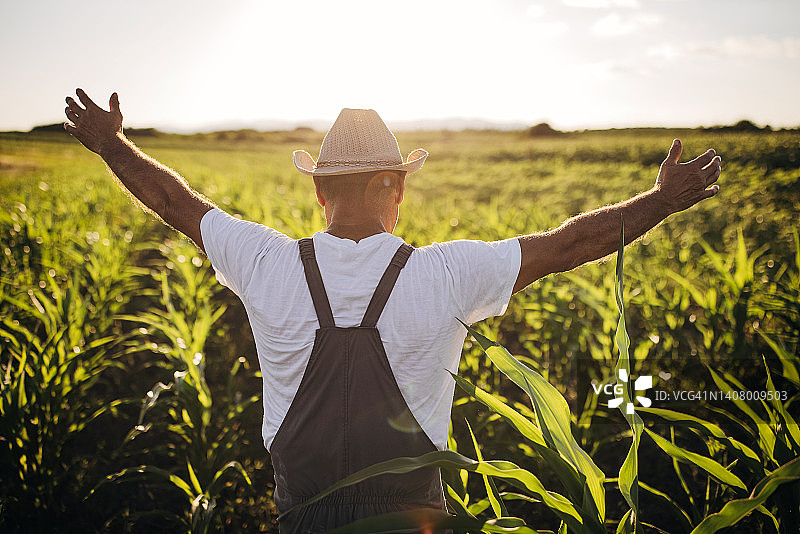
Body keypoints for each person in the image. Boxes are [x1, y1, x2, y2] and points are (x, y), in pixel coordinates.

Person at [63, 89, 721, 532]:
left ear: (318, 189)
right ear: (396, 185)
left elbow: (177, 203)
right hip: (410, 519)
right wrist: (660, 200)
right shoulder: (449, 272)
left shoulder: (267, 262)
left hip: (303, 511)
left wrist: (112, 145)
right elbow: (573, 243)